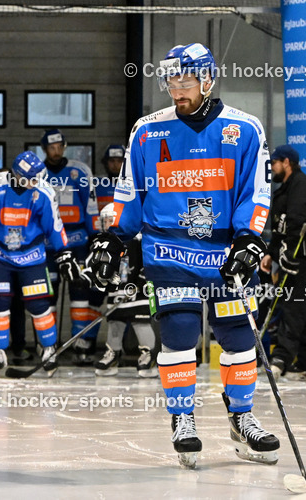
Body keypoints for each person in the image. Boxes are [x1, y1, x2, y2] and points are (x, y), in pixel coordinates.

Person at [90, 43, 278, 469]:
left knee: (238, 336)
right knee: (178, 332)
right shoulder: (147, 130)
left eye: (187, 82)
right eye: (172, 82)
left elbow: (256, 190)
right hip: (169, 250)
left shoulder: (244, 129)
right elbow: (130, 193)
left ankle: (242, 416)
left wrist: (251, 239)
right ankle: (183, 419)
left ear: (208, 79)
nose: (178, 91)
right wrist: (115, 238)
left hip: (227, 251)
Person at [0, 151, 83, 374]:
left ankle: (49, 348)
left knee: (39, 304)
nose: (36, 182)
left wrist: (64, 254)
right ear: (17, 175)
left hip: (33, 256)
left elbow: (55, 226)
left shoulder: (45, 191)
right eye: (31, 178)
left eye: (39, 177)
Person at [259, 144, 306, 381]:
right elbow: (280, 229)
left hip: (304, 255)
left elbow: (298, 221)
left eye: (274, 163)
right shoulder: (283, 190)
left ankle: (280, 360)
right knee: (295, 308)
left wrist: (289, 253)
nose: (272, 169)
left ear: (286, 162)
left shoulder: (300, 184)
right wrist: (271, 253)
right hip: (290, 255)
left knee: (294, 306)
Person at [38, 128, 102, 366]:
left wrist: (96, 236)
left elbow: (91, 206)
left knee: (80, 293)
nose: (56, 151)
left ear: (64, 147)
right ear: (44, 149)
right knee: (48, 295)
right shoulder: (38, 173)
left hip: (78, 241)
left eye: (59, 147)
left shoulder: (80, 171)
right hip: (47, 244)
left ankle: (80, 340)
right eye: (51, 147)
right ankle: (49, 344)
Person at [92, 206, 157, 378]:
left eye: (107, 220)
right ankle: (112, 354)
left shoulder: (139, 237)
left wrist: (143, 279)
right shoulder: (106, 244)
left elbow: (149, 259)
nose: (105, 225)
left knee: (140, 320)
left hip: (139, 288)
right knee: (115, 320)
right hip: (118, 288)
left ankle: (148, 355)